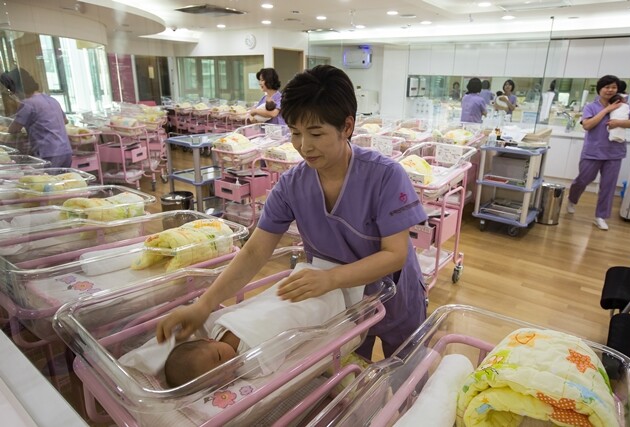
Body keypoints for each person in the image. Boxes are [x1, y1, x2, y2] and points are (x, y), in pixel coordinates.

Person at [157, 65, 428, 360]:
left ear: (347, 127)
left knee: (406, 373)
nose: (303, 146)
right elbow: (254, 252)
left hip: (394, 296)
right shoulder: (293, 184)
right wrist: (204, 305)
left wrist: (332, 278)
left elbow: (395, 254)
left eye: (315, 133)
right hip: (337, 305)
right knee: (352, 381)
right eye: (296, 133)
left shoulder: (385, 176)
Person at [163, 267, 346, 387]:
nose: (226, 364)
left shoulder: (219, 328)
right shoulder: (251, 367)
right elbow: (280, 347)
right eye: (219, 376)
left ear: (209, 340)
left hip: (274, 307)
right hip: (288, 320)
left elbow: (254, 311)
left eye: (218, 356)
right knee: (307, 310)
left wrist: (202, 306)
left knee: (282, 298)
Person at [567, 75, 630, 230]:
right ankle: (572, 199)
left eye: (613, 87)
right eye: (607, 87)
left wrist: (619, 122)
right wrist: (608, 109)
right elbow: (587, 125)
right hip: (593, 151)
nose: (610, 90)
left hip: (615, 152)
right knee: (583, 179)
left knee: (608, 186)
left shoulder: (624, 106)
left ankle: (600, 216)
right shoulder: (591, 107)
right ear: (600, 89)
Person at [8, 71, 72, 167]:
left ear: (18, 89)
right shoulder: (51, 100)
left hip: (48, 153)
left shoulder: (27, 104)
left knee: (48, 180)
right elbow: (65, 121)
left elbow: (13, 129)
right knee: (62, 180)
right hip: (66, 151)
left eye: (13, 92)